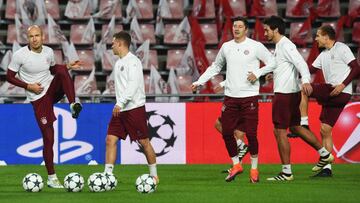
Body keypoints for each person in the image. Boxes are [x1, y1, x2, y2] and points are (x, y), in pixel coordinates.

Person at [247, 16, 334, 181]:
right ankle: (324, 154)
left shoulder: (286, 45)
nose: (265, 33)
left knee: (279, 131)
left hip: (284, 94)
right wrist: (264, 73)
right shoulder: (281, 45)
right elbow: (277, 65)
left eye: (267, 30)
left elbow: (301, 63)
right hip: (290, 93)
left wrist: (306, 80)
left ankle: (286, 172)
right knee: (295, 127)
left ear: (276, 30)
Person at [192, 17, 276, 183]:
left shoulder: (255, 46)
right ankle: (236, 165)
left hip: (249, 96)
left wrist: (258, 73)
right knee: (227, 132)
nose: (236, 29)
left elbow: (273, 62)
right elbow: (215, 67)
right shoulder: (227, 47)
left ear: (246, 29)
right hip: (230, 98)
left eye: (239, 26)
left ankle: (254, 169)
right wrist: (199, 81)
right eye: (234, 26)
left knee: (251, 134)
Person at [6, 25, 82, 188]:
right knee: (49, 138)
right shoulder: (20, 55)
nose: (34, 39)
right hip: (38, 98)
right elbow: (9, 76)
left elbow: (54, 69)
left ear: (43, 37)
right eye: (31, 36)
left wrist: (68, 66)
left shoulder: (48, 52)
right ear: (28, 38)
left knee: (62, 71)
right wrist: (28, 86)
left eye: (37, 36)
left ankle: (73, 104)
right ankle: (52, 178)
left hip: (51, 90)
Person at [103, 31, 158, 183]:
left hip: (134, 108)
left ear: (120, 44)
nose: (112, 45)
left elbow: (133, 85)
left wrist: (120, 103)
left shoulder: (133, 62)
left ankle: (154, 175)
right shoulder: (118, 63)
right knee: (110, 140)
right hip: (121, 110)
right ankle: (107, 177)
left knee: (144, 142)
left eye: (113, 43)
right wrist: (120, 104)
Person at [307, 25, 359, 177]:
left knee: (305, 89)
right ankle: (327, 168)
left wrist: (342, 85)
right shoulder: (323, 54)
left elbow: (356, 68)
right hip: (333, 94)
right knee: (325, 130)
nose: (315, 38)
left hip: (338, 91)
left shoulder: (341, 48)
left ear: (326, 37)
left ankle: (301, 122)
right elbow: (309, 70)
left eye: (318, 35)